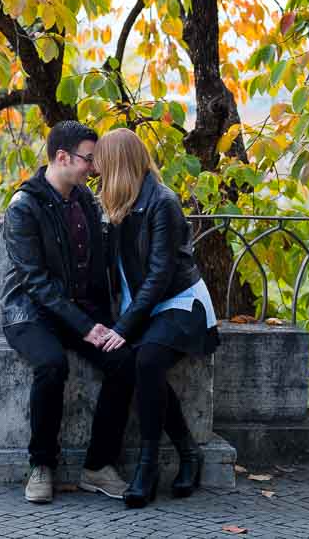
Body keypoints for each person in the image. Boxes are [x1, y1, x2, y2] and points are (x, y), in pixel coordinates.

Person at [1, 121, 133, 504]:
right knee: (52, 365)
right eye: (88, 160)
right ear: (62, 157)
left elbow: (100, 265)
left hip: (80, 313)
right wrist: (85, 326)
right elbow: (35, 282)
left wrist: (110, 322)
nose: (94, 168)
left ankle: (98, 466)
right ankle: (41, 465)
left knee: (125, 360)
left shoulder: (86, 202)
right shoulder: (23, 206)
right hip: (30, 314)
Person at [94, 128, 220, 509]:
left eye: (100, 159)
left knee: (146, 359)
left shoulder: (162, 202)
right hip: (145, 308)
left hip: (181, 304)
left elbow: (160, 275)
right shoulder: (119, 203)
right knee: (136, 362)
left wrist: (123, 328)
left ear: (117, 161)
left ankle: (147, 465)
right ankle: (188, 451)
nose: (95, 167)